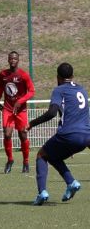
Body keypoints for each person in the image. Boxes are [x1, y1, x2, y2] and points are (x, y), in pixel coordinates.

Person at [25, 63, 90, 205]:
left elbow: (52, 113)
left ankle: (42, 192)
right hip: (86, 136)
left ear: (58, 77)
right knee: (53, 157)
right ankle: (71, 183)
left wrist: (31, 124)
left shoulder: (59, 90)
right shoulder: (82, 90)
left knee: (41, 154)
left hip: (69, 135)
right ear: (72, 76)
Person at [0, 51, 35, 173]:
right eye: (11, 58)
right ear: (8, 60)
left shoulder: (23, 75)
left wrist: (20, 101)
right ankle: (10, 159)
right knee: (7, 134)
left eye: (15, 58)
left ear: (18, 60)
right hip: (7, 108)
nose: (13, 60)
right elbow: (1, 88)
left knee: (23, 135)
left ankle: (26, 162)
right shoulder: (3, 74)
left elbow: (32, 91)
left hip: (21, 110)